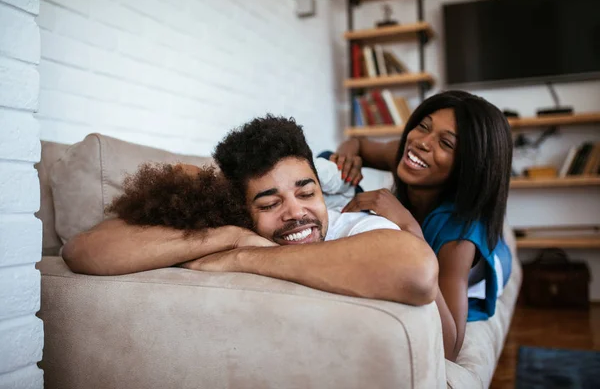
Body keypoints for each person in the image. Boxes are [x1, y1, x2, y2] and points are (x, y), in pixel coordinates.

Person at [62, 115, 438, 307]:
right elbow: (82, 250)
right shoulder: (234, 229)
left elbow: (416, 271)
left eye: (306, 193)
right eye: (270, 203)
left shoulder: (352, 227)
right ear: (243, 212)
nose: (295, 213)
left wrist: (243, 257)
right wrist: (232, 236)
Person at [331, 90, 513, 361]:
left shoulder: (459, 238)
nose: (422, 143)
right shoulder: (408, 153)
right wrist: (345, 157)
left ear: (468, 166)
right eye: (423, 127)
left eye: (447, 144)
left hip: (488, 259)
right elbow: (357, 142)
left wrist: (409, 227)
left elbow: (449, 348)